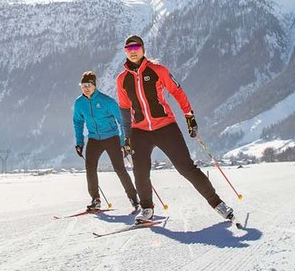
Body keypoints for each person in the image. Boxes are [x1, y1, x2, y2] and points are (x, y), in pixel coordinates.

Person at [115, 35, 235, 224]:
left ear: (143, 49)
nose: (133, 51)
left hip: (165, 127)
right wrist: (127, 138)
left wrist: (189, 117)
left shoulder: (158, 70)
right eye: (129, 48)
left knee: (186, 168)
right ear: (125, 52)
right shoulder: (122, 79)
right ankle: (146, 209)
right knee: (140, 171)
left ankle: (218, 203)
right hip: (140, 131)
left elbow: (177, 91)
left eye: (136, 47)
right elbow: (123, 109)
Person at [73, 71, 140, 212]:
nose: (85, 88)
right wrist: (79, 142)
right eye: (83, 85)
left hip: (111, 137)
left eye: (88, 85)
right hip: (94, 139)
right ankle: (95, 200)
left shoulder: (106, 101)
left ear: (94, 85)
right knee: (90, 168)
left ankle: (134, 199)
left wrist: (124, 141)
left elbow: (122, 121)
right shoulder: (79, 103)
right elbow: (78, 122)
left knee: (119, 168)